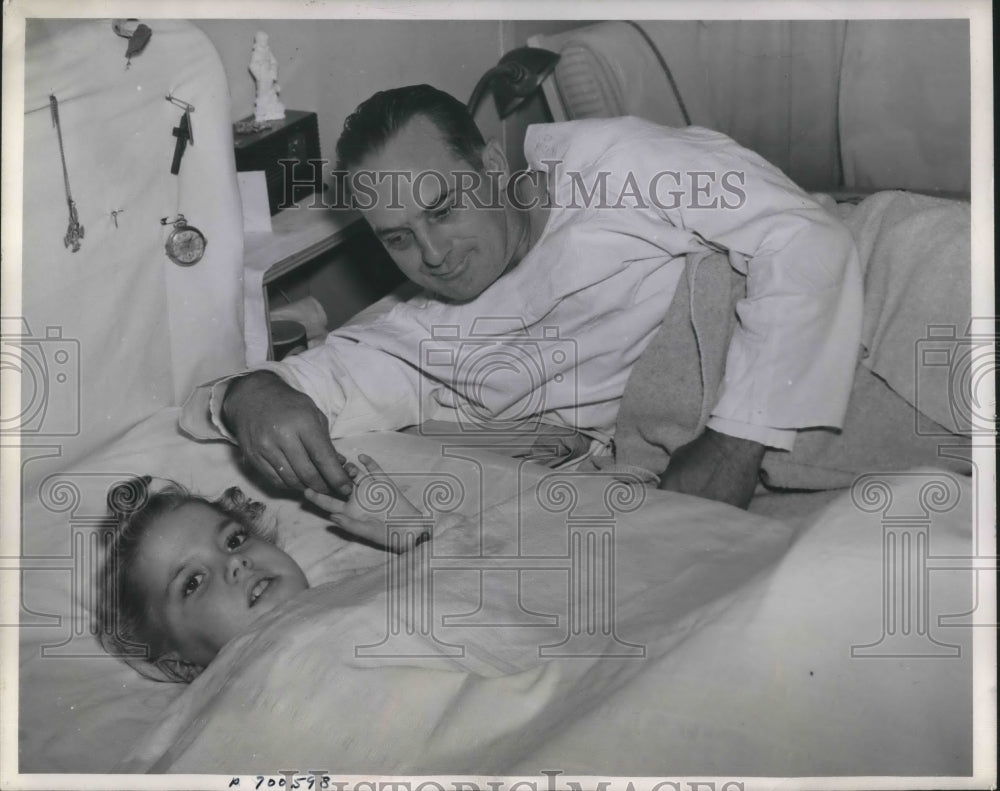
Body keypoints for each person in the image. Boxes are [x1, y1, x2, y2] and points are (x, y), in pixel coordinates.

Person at [183, 85, 861, 509]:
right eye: (398, 239)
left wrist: (734, 444)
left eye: (443, 208)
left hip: (872, 273)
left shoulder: (609, 166)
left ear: (492, 166)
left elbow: (805, 238)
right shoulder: (422, 334)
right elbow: (269, 389)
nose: (434, 256)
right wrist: (251, 396)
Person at [96, 456, 420, 683]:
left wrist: (414, 534)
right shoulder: (223, 715)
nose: (235, 562)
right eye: (193, 582)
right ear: (182, 665)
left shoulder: (366, 592)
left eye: (234, 540)